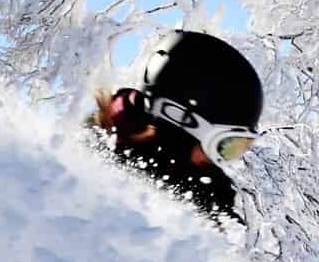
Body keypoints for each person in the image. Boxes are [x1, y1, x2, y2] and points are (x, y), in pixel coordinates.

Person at [86, 28, 262, 224]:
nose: (218, 161)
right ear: (181, 122)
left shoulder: (208, 193)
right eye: (224, 145)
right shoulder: (88, 169)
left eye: (236, 148)